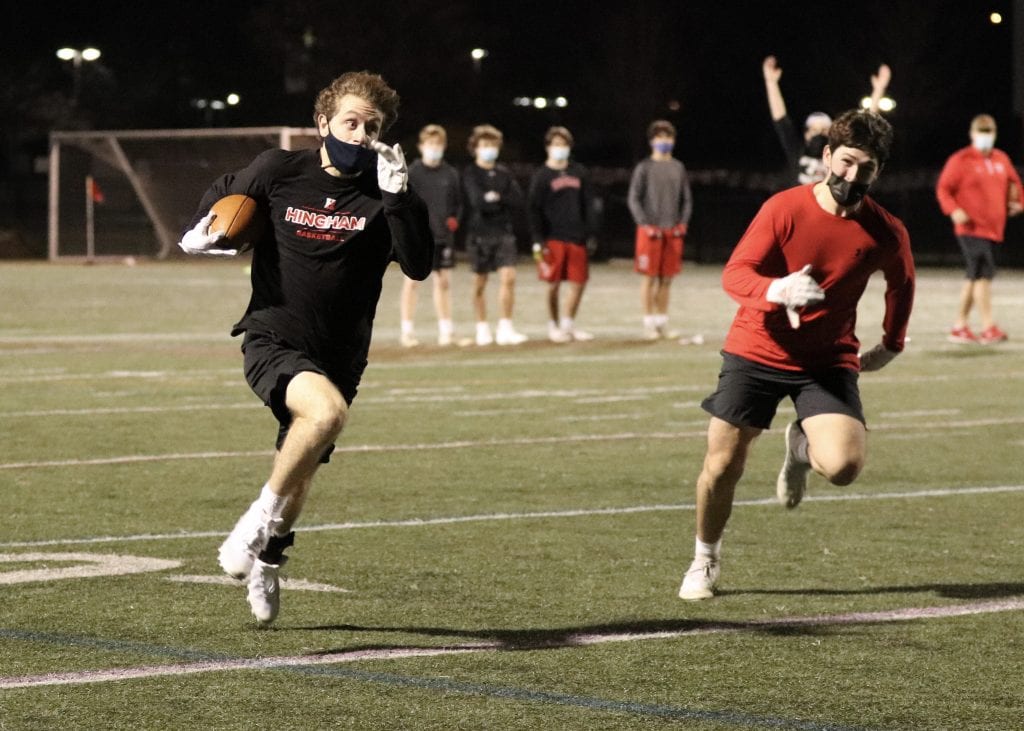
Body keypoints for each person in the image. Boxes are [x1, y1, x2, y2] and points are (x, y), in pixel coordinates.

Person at [177, 71, 433, 625]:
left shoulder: (385, 190)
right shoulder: (280, 169)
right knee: (325, 414)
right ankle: (254, 523)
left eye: (373, 126)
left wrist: (401, 199)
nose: (362, 134)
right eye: (351, 122)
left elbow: (419, 265)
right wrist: (202, 229)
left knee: (304, 460)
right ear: (323, 123)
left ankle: (269, 558)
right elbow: (225, 192)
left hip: (341, 353)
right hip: (274, 334)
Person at [676, 110, 915, 601]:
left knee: (845, 467)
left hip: (826, 362)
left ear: (877, 172)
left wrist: (892, 343)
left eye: (864, 168)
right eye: (845, 162)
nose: (851, 176)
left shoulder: (885, 231)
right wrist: (776, 288)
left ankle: (801, 447)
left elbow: (902, 284)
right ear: (827, 156)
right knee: (722, 466)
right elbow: (734, 274)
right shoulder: (783, 208)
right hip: (757, 349)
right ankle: (705, 559)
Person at [936, 113, 1023, 345]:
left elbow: (1015, 183)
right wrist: (953, 210)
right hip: (970, 227)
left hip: (994, 228)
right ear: (972, 134)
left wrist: (1019, 203)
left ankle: (959, 326)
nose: (985, 137)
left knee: (974, 275)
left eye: (989, 133)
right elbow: (944, 188)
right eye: (981, 133)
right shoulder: (961, 159)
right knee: (984, 273)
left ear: (994, 134)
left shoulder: (1001, 159)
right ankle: (988, 327)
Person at [762, 55, 891, 185]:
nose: (818, 134)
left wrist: (878, 90)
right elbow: (781, 120)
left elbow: (863, 126)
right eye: (814, 130)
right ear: (806, 134)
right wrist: (771, 83)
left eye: (823, 130)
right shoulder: (797, 151)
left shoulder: (839, 153)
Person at [527, 126, 597, 342]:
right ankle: (553, 326)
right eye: (556, 144)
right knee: (553, 284)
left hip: (576, 237)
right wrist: (538, 239)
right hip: (552, 238)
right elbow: (533, 209)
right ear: (548, 147)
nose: (560, 148)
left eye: (564, 144)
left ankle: (568, 325)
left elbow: (588, 204)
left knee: (579, 283)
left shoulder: (579, 172)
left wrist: (590, 232)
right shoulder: (542, 176)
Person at [462, 124, 528, 346]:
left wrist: (496, 197)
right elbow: (478, 202)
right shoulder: (471, 173)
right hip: (479, 233)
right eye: (484, 145)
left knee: (509, 278)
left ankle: (505, 328)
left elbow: (517, 200)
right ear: (476, 148)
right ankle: (482, 328)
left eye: (492, 145)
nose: (489, 149)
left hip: (503, 232)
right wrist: (498, 198)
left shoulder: (504, 173)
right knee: (480, 282)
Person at [627, 119, 693, 340]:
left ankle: (662, 322)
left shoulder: (678, 167)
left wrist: (682, 223)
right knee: (649, 278)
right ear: (652, 141)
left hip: (672, 232)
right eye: (660, 137)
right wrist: (644, 224)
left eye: (668, 137)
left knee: (666, 279)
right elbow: (634, 198)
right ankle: (648, 323)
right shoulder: (644, 167)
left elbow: (687, 199)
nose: (664, 141)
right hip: (650, 233)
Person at [400, 124, 463, 347]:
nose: (434, 148)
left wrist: (453, 222)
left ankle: (446, 330)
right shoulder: (413, 172)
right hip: (417, 238)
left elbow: (457, 205)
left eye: (438, 144)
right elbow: (403, 203)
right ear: (421, 146)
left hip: (442, 237)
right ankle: (407, 330)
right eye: (430, 144)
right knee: (412, 283)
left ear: (443, 146)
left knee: (443, 282)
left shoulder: (451, 173)